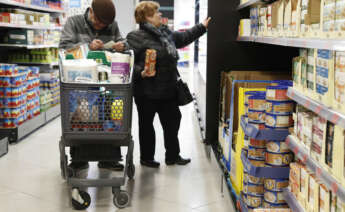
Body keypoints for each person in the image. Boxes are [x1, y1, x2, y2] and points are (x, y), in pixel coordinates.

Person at [127, 1, 211, 168]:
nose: (160, 15)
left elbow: (183, 37)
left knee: (173, 121)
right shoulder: (134, 37)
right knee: (146, 126)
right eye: (156, 13)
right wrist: (140, 72)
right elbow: (129, 62)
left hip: (168, 89)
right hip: (147, 92)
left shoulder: (165, 33)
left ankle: (172, 155)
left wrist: (201, 27)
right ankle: (147, 158)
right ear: (147, 17)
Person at [59, 0, 126, 171]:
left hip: (106, 81)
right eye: (99, 22)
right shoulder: (73, 22)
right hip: (79, 83)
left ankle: (109, 158)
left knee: (108, 115)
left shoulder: (112, 26)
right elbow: (63, 49)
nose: (102, 26)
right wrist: (86, 47)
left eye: (105, 24)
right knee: (81, 116)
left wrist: (121, 46)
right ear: (91, 12)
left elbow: (125, 44)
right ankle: (79, 158)